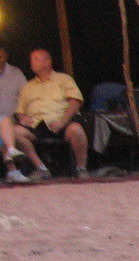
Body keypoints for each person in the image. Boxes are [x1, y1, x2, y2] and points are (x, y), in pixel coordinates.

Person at [12, 49, 89, 178]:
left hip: (62, 122)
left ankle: (81, 168)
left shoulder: (64, 79)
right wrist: (22, 117)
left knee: (76, 129)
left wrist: (63, 121)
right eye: (32, 59)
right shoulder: (28, 86)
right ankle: (41, 168)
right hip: (37, 125)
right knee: (15, 131)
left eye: (35, 59)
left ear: (48, 61)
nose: (32, 62)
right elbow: (20, 111)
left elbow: (75, 101)